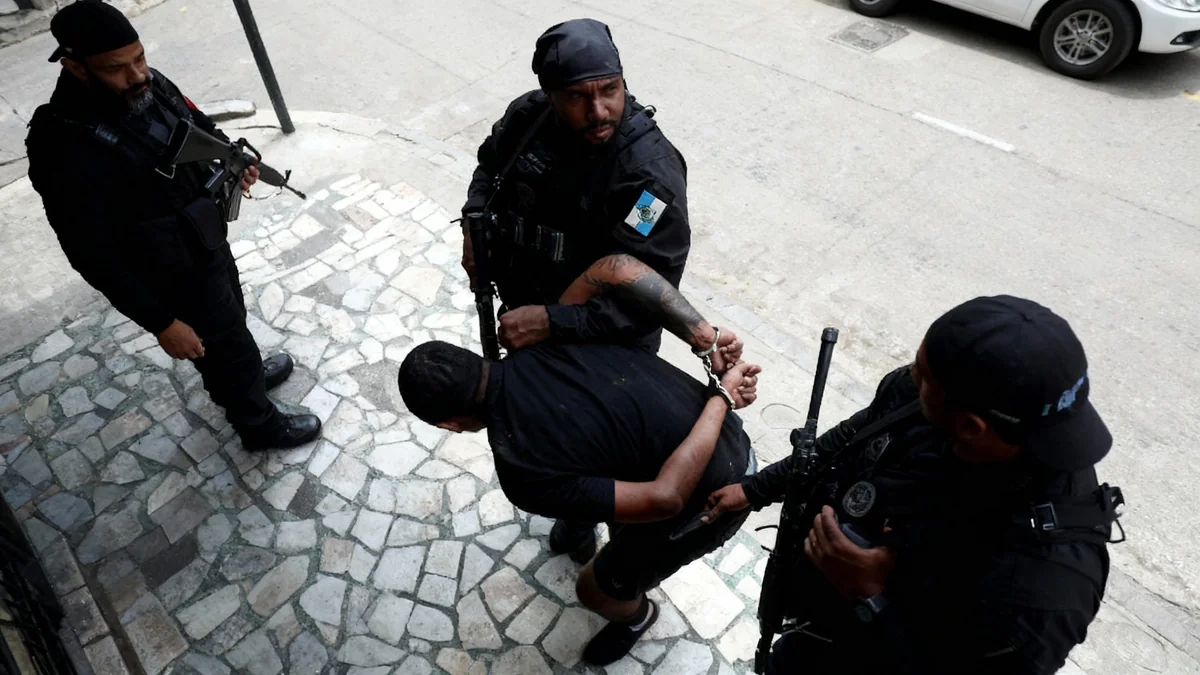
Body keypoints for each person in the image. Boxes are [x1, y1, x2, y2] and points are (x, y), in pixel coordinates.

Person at [703, 295, 1126, 675]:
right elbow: (857, 433)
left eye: (921, 376)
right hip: (818, 632)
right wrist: (754, 489)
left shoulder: (1043, 596)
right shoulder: (939, 395)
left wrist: (872, 598)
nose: (910, 377)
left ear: (971, 427)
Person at [398, 258, 760, 666]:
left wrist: (722, 399)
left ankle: (638, 617)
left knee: (593, 589)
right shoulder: (540, 333)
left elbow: (666, 499)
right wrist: (707, 339)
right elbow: (617, 266)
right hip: (720, 434)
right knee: (610, 495)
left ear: (449, 424)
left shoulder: (522, 473)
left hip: (720, 494)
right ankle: (583, 527)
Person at [25, 0, 320, 451]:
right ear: (74, 67)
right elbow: (89, 253)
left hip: (204, 237)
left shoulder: (149, 82)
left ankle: (247, 379)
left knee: (233, 327)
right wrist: (161, 322)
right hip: (166, 273)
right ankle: (258, 425)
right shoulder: (60, 143)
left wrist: (231, 159)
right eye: (116, 68)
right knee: (222, 346)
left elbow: (194, 123)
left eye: (139, 57)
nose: (137, 74)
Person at [462, 17, 692, 559]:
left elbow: (644, 302)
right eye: (578, 97)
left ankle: (619, 555)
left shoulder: (647, 176)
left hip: (607, 344)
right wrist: (475, 226)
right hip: (527, 315)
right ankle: (577, 517)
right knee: (556, 432)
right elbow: (486, 169)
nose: (599, 112)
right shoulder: (528, 118)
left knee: (607, 449)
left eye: (610, 91)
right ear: (551, 94)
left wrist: (553, 320)